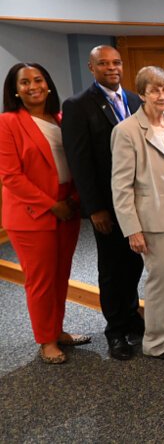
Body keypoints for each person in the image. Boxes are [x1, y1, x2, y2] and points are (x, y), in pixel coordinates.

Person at [0, 63, 89, 364]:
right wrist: (52, 205)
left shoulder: (61, 118)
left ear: (48, 85)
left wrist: (75, 198)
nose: (32, 86)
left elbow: (76, 162)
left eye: (38, 79)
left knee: (60, 275)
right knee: (41, 281)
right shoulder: (8, 122)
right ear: (15, 90)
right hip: (33, 214)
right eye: (24, 82)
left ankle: (58, 329)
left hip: (68, 208)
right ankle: (46, 340)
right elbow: (11, 176)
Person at [110, 66, 164, 360]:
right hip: (157, 218)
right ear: (142, 94)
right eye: (155, 90)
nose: (163, 95)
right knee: (163, 278)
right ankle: (158, 341)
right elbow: (121, 186)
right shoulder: (126, 131)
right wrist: (132, 229)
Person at [61, 45, 145, 361]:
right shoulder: (78, 105)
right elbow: (79, 160)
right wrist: (94, 207)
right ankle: (116, 330)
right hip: (106, 205)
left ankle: (132, 314)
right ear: (91, 67)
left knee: (135, 261)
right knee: (112, 267)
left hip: (138, 202)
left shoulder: (135, 100)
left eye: (116, 62)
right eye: (104, 63)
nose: (112, 68)